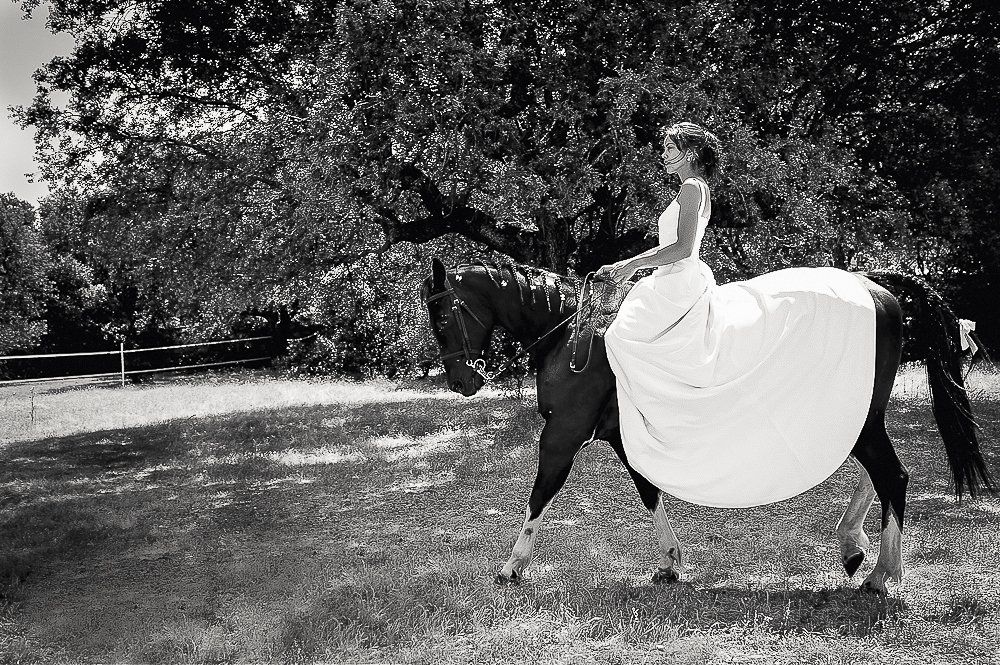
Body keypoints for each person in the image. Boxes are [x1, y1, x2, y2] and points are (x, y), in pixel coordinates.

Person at [594, 122, 877, 508]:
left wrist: (631, 264)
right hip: (669, 279)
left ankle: (657, 422)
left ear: (690, 153)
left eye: (668, 147)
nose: (662, 154)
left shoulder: (692, 187)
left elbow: (682, 248)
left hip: (676, 280)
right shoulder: (692, 188)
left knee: (620, 338)